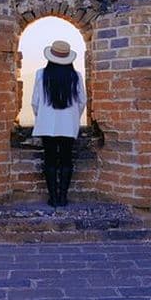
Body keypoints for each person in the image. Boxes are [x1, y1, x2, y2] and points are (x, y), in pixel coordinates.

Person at [31, 40, 86, 207]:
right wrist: (74, 119)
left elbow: (35, 102)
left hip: (46, 125)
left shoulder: (41, 74)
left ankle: (53, 198)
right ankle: (63, 198)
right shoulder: (75, 76)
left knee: (50, 161)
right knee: (66, 160)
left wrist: (41, 117)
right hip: (68, 125)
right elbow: (82, 101)